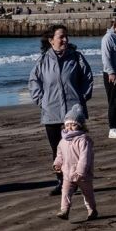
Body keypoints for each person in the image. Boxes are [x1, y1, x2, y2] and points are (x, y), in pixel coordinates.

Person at [29, 24, 94, 196]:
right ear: (51, 41)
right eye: (61, 37)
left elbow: (88, 77)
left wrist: (82, 98)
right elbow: (34, 82)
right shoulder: (43, 60)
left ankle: (77, 180)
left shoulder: (76, 57)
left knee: (76, 149)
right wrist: (41, 101)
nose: (65, 40)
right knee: (57, 150)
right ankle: (61, 182)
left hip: (73, 114)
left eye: (66, 36)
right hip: (51, 113)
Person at [53, 104, 97, 221]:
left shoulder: (84, 140)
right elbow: (59, 155)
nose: (70, 127)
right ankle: (64, 210)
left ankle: (92, 210)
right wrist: (57, 164)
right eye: (67, 124)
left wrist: (80, 172)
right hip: (67, 173)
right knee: (65, 192)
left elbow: (85, 158)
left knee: (87, 194)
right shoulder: (63, 141)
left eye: (73, 125)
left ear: (80, 126)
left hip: (83, 175)